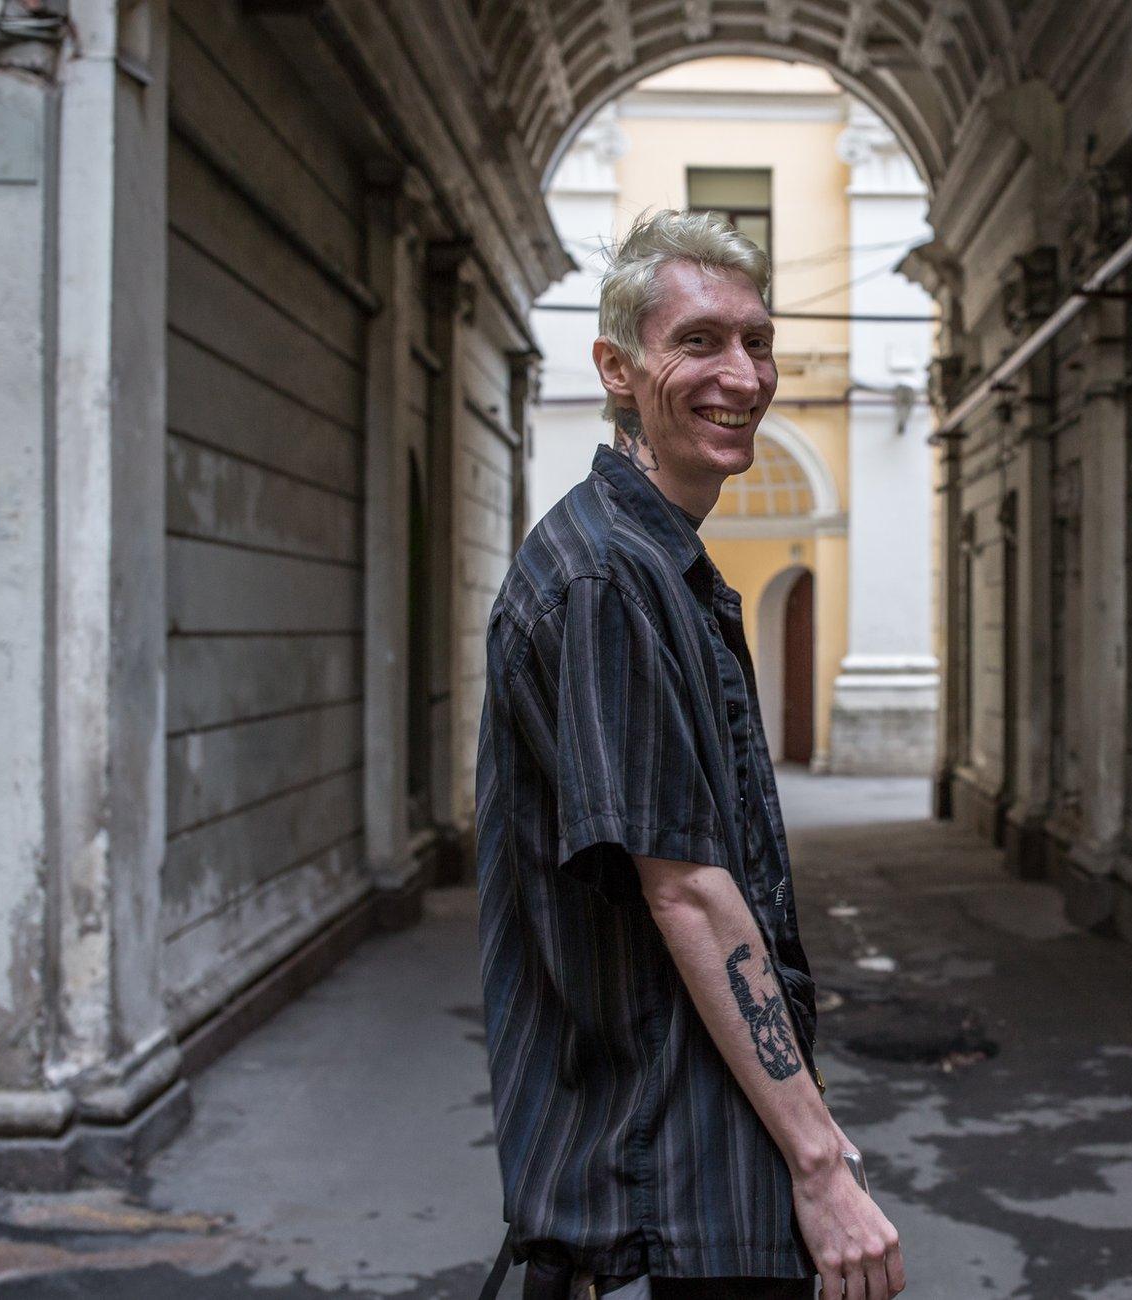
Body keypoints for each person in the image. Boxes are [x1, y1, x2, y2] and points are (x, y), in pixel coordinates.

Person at [474, 209, 907, 1300]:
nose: (741, 372)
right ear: (616, 368)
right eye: (699, 340)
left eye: (756, 340)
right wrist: (818, 1160)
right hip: (663, 1178)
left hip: (679, 1156)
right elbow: (688, 890)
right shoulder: (606, 579)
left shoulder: (649, 565)